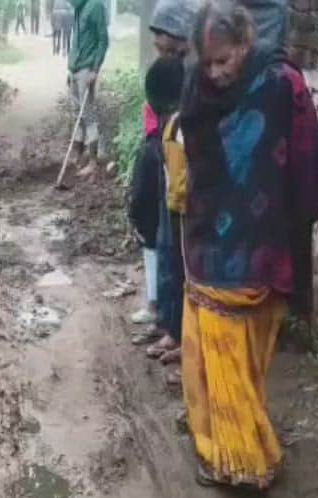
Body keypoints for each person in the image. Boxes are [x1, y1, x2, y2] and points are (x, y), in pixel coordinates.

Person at [177, 0, 318, 489]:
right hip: (209, 244)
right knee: (213, 355)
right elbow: (191, 154)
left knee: (241, 360)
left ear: (247, 42)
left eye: (226, 60)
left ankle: (241, 463)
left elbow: (307, 158)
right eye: (209, 61)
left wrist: (300, 219)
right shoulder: (195, 83)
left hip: (262, 247)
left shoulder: (283, 85)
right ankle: (232, 441)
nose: (216, 73)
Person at [143, 0, 191, 365]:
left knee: (182, 261)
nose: (163, 54)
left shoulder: (199, 73)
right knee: (166, 251)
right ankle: (170, 326)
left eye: (168, 46)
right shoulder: (169, 73)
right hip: (169, 175)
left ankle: (183, 337)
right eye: (159, 48)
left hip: (188, 192)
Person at [126, 57, 185, 348]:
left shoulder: (171, 133)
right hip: (171, 214)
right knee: (168, 268)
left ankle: (174, 330)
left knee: (174, 271)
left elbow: (147, 187)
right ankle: (166, 323)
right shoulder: (166, 131)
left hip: (179, 215)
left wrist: (138, 215)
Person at [65, 0, 108, 179]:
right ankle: (78, 156)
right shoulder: (78, 8)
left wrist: (94, 69)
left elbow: (103, 40)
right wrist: (70, 69)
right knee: (77, 115)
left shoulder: (95, 6)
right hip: (75, 69)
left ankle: (93, 162)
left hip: (86, 69)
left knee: (88, 115)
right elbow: (76, 41)